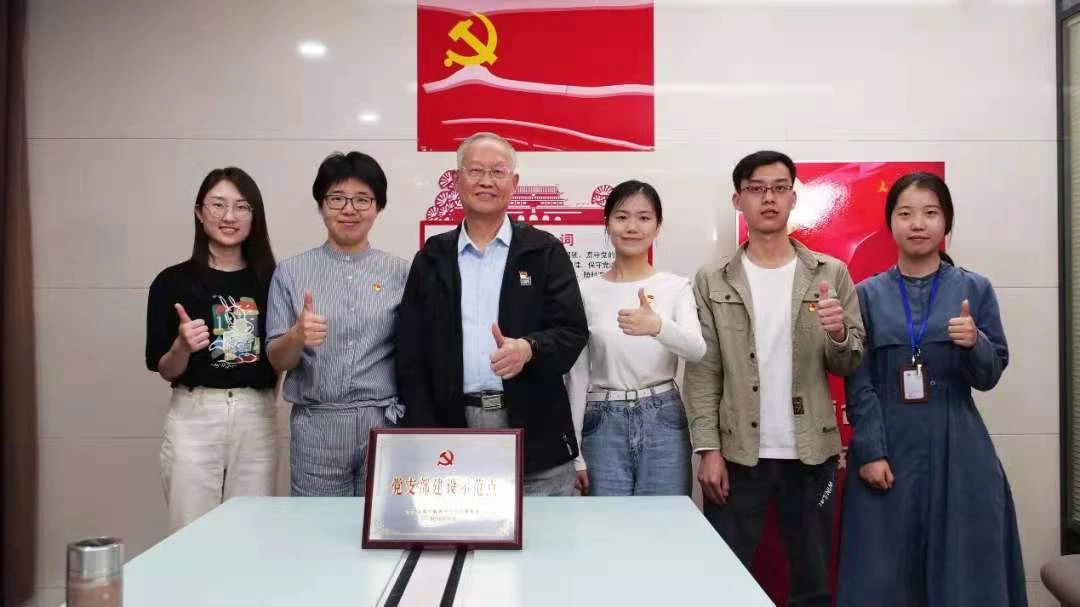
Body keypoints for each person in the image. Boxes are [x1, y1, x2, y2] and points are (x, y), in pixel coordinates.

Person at [684, 150, 865, 606]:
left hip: (812, 454)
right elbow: (703, 371)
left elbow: (850, 362)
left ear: (793, 197)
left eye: (780, 188)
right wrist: (707, 450)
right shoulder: (712, 279)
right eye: (756, 188)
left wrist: (838, 333)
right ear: (738, 199)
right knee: (724, 582)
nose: (769, 198)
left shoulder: (830, 273)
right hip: (737, 454)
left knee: (813, 584)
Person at [837, 172, 1026, 606]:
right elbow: (859, 381)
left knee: (964, 573)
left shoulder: (974, 288)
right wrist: (871, 451)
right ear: (891, 224)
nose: (918, 223)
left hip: (959, 446)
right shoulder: (866, 294)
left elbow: (990, 375)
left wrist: (974, 342)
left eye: (930, 213)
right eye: (905, 213)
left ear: (946, 223)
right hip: (888, 446)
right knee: (881, 573)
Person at [397, 132, 588, 496]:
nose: (486, 181)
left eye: (497, 172)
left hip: (535, 429)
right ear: (457, 180)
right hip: (451, 431)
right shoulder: (432, 257)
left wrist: (530, 348)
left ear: (514, 183)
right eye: (476, 171)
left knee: (544, 530)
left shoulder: (544, 251)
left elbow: (572, 331)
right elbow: (410, 352)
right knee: (460, 528)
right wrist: (424, 429)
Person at [266, 152, 408, 497]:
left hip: (382, 421)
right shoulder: (291, 272)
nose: (349, 209)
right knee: (318, 525)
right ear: (321, 205)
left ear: (378, 207)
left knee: (382, 521)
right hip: (317, 425)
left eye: (362, 199)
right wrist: (296, 336)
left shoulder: (400, 272)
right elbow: (277, 360)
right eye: (337, 198)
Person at [145, 167, 279, 532]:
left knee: (252, 532)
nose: (229, 216)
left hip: (256, 415)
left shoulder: (272, 279)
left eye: (241, 206)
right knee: (190, 531)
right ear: (199, 212)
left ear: (254, 216)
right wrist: (182, 347)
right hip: (195, 414)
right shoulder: (171, 282)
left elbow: (280, 355)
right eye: (218, 205)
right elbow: (165, 368)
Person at [564, 180, 705, 496]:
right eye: (621, 216)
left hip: (663, 417)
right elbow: (577, 376)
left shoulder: (675, 287)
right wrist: (575, 452)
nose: (632, 227)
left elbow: (696, 350)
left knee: (665, 520)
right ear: (607, 223)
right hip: (602, 420)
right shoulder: (585, 291)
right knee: (608, 521)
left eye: (644, 218)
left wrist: (658, 326)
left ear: (658, 226)